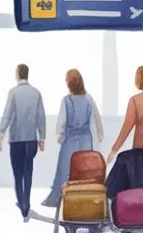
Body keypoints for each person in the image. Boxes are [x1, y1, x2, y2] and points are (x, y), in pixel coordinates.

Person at [42, 68, 103, 209]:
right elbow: (97, 118)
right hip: (87, 141)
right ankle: (85, 200)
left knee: (66, 171)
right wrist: (99, 135)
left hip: (70, 140)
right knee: (85, 172)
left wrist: (59, 135)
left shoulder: (66, 100)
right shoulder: (89, 99)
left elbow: (62, 122)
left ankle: (62, 199)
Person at [0, 64, 46, 220]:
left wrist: (1, 134)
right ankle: (27, 203)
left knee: (18, 174)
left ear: (18, 74)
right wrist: (42, 137)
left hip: (16, 139)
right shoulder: (36, 93)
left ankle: (22, 205)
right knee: (28, 172)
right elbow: (41, 116)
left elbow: (7, 114)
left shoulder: (13, 93)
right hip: (31, 139)